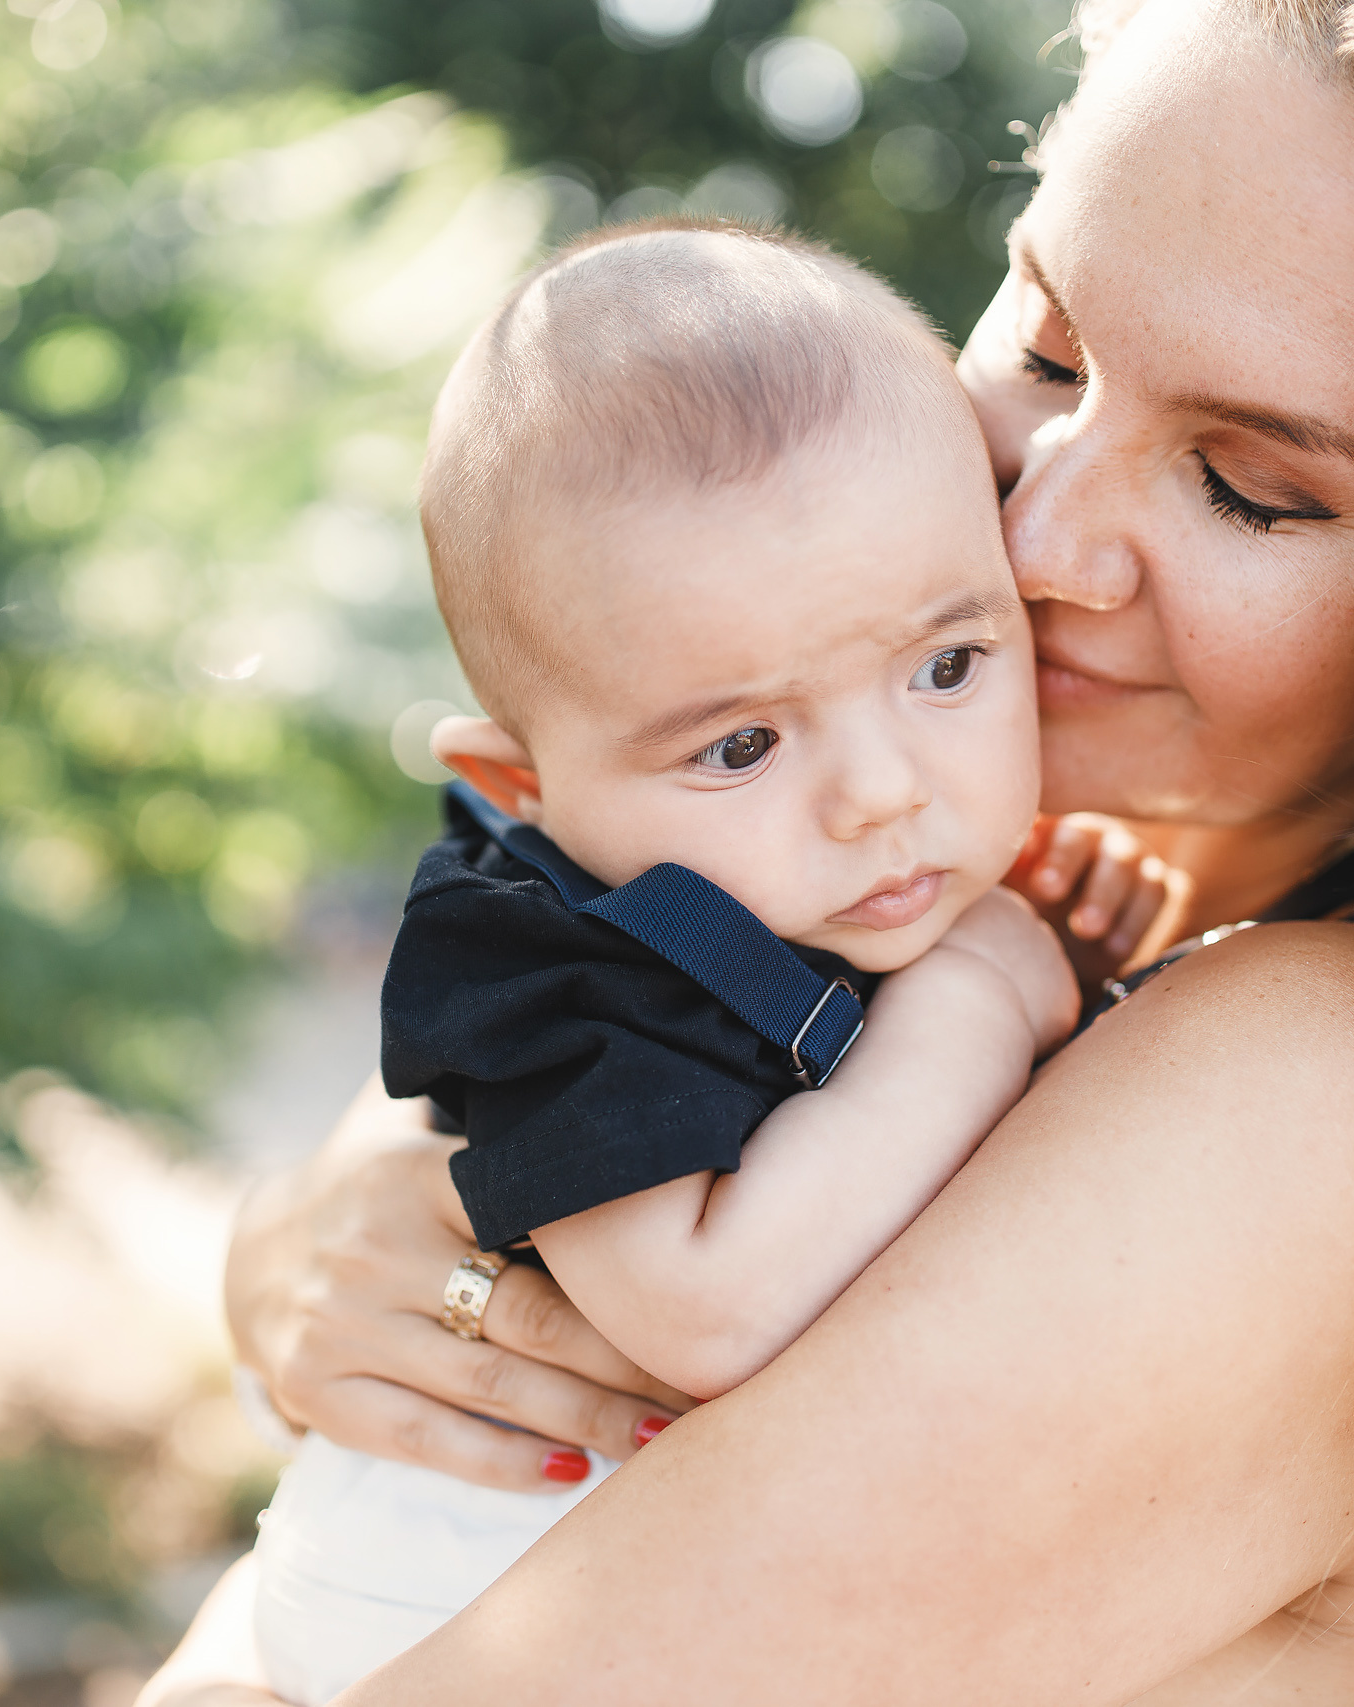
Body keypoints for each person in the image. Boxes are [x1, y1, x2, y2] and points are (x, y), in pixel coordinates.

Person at [148, 0, 1354, 1699]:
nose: (1033, 536)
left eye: (1253, 486)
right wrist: (320, 1252)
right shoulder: (1049, 905)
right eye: (1046, 344)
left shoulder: (1313, 1102)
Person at [247, 222, 1076, 1705]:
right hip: (441, 1604)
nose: (882, 792)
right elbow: (705, 1310)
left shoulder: (890, 886)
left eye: (947, 666)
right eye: (742, 745)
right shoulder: (556, 965)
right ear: (524, 792)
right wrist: (975, 1003)